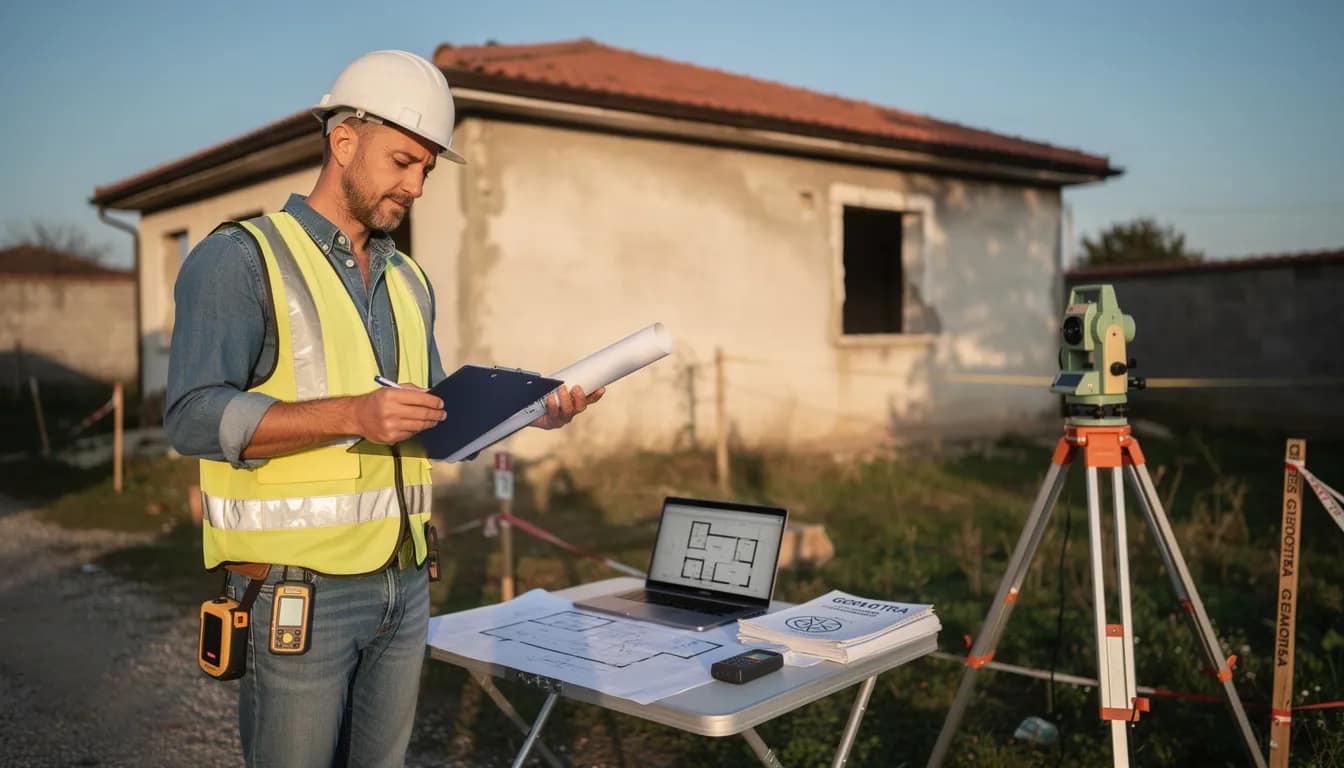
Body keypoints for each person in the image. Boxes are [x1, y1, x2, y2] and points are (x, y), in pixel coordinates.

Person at [164, 49, 603, 767]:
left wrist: (533, 414)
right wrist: (352, 415)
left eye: (427, 168)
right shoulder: (240, 259)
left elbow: (434, 423)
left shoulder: (408, 279)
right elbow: (189, 416)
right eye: (403, 161)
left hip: (406, 583)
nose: (417, 184)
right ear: (343, 141)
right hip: (297, 594)